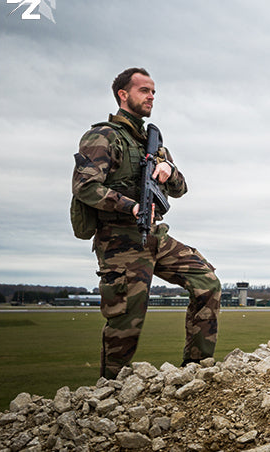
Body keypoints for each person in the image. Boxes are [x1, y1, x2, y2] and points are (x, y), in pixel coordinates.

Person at [72, 67, 221, 379]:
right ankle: (109, 392)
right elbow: (85, 187)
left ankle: (195, 373)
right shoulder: (103, 137)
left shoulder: (152, 144)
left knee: (207, 281)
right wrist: (132, 205)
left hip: (156, 236)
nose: (151, 96)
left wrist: (168, 169)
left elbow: (180, 189)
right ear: (123, 95)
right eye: (144, 90)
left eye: (154, 91)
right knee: (126, 323)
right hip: (120, 241)